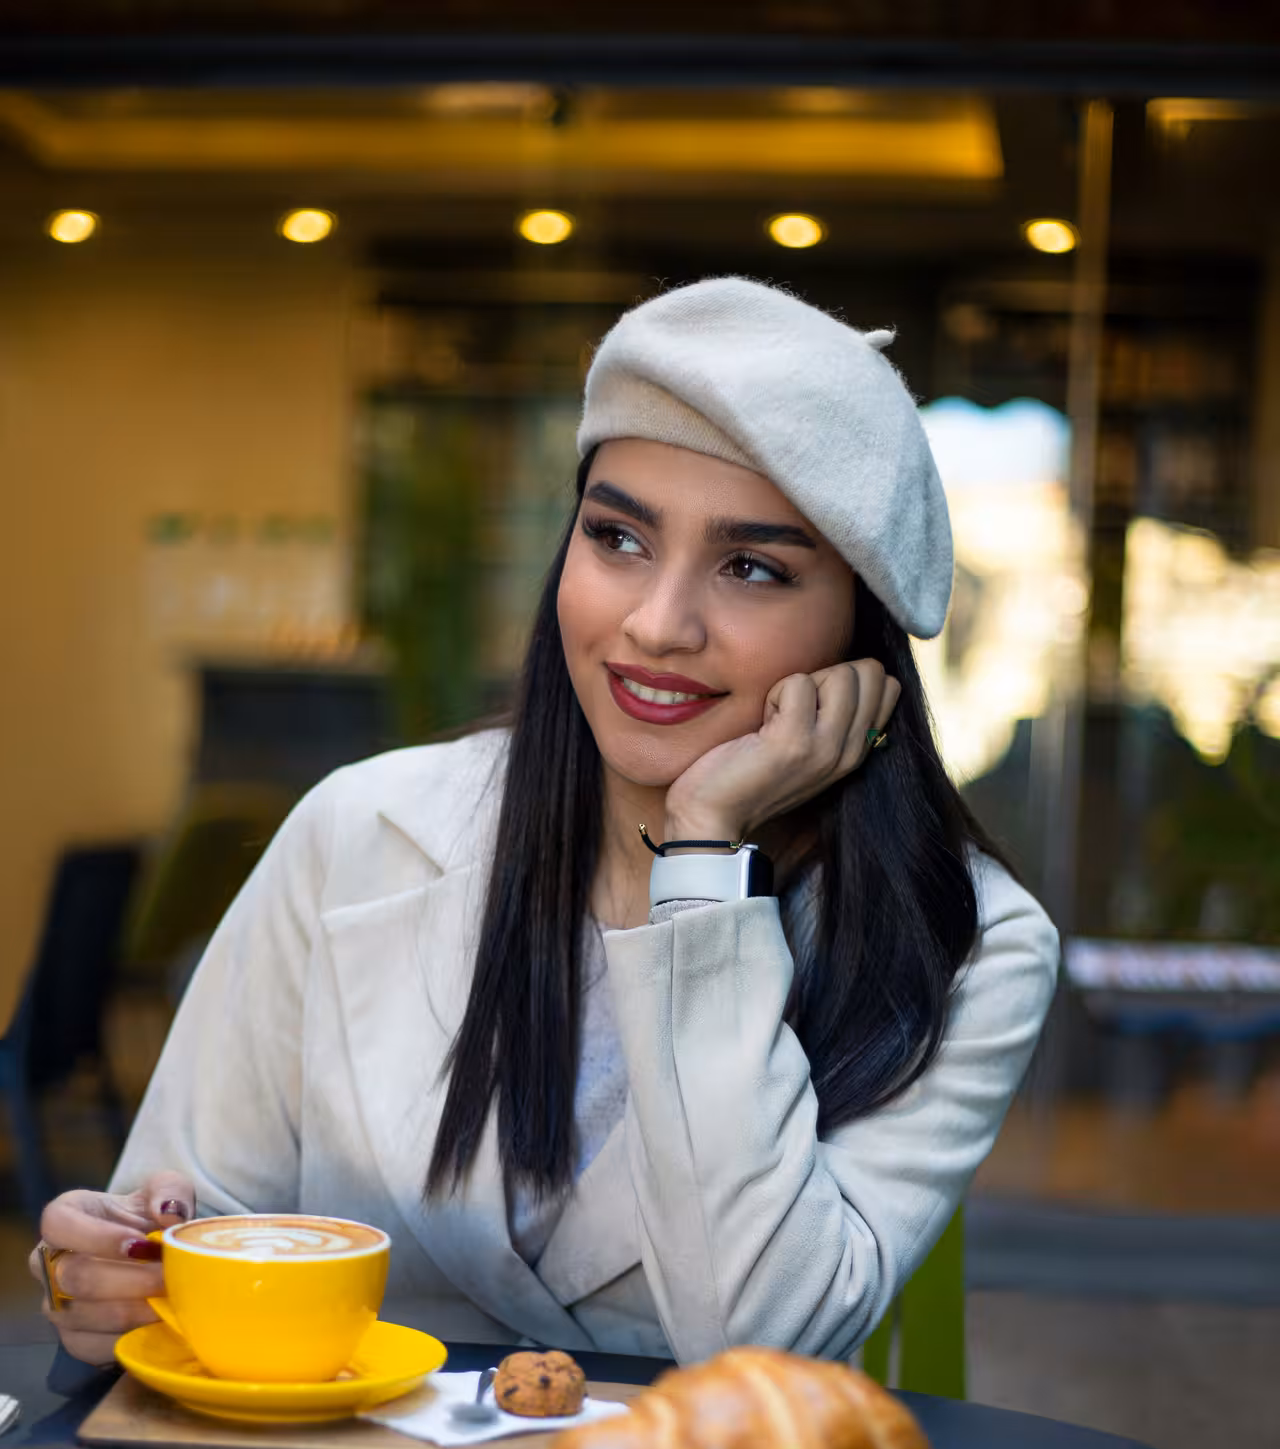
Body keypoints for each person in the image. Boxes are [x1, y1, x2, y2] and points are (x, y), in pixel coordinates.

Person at [31, 276, 1059, 1370]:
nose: (657, 624)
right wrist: (113, 1277)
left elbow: (761, 1341)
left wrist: (705, 858)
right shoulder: (359, 833)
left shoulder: (970, 947)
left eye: (751, 567)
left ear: (860, 629)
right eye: (617, 539)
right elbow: (188, 1236)